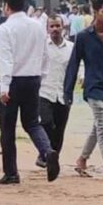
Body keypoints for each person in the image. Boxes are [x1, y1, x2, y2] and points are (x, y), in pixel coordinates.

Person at [0, 0, 59, 184]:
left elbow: (6, 59)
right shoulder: (38, 26)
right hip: (33, 79)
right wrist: (42, 76)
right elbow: (45, 54)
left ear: (6, 6)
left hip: (14, 81)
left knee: (7, 128)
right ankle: (47, 151)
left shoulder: (5, 29)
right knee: (32, 122)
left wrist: (5, 87)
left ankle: (11, 172)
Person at [64, 0, 103, 180]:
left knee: (97, 127)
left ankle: (82, 159)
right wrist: (67, 91)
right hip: (93, 88)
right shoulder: (83, 37)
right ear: (95, 12)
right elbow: (73, 64)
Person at [37, 16, 73, 168]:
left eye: (57, 26)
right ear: (47, 28)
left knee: (60, 129)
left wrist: (81, 77)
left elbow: (78, 65)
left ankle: (52, 161)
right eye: (51, 26)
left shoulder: (71, 47)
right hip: (44, 91)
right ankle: (44, 152)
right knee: (45, 122)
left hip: (63, 93)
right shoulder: (41, 46)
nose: (55, 29)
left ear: (63, 27)